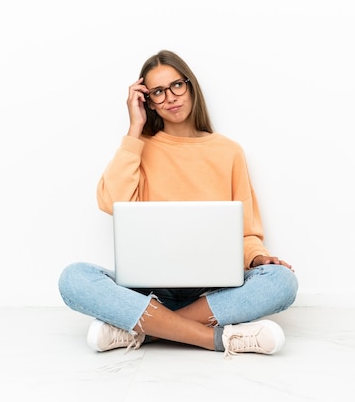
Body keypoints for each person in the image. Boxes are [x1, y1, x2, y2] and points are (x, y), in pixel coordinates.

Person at [58, 50, 298, 358]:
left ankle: (142, 330)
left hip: (211, 292)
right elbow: (110, 201)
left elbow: (247, 232)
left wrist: (258, 259)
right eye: (158, 92)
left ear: (191, 86)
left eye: (176, 86)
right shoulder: (139, 148)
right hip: (148, 290)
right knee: (73, 278)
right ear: (148, 101)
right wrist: (134, 130)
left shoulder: (229, 152)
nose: (170, 97)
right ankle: (217, 338)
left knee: (282, 282)